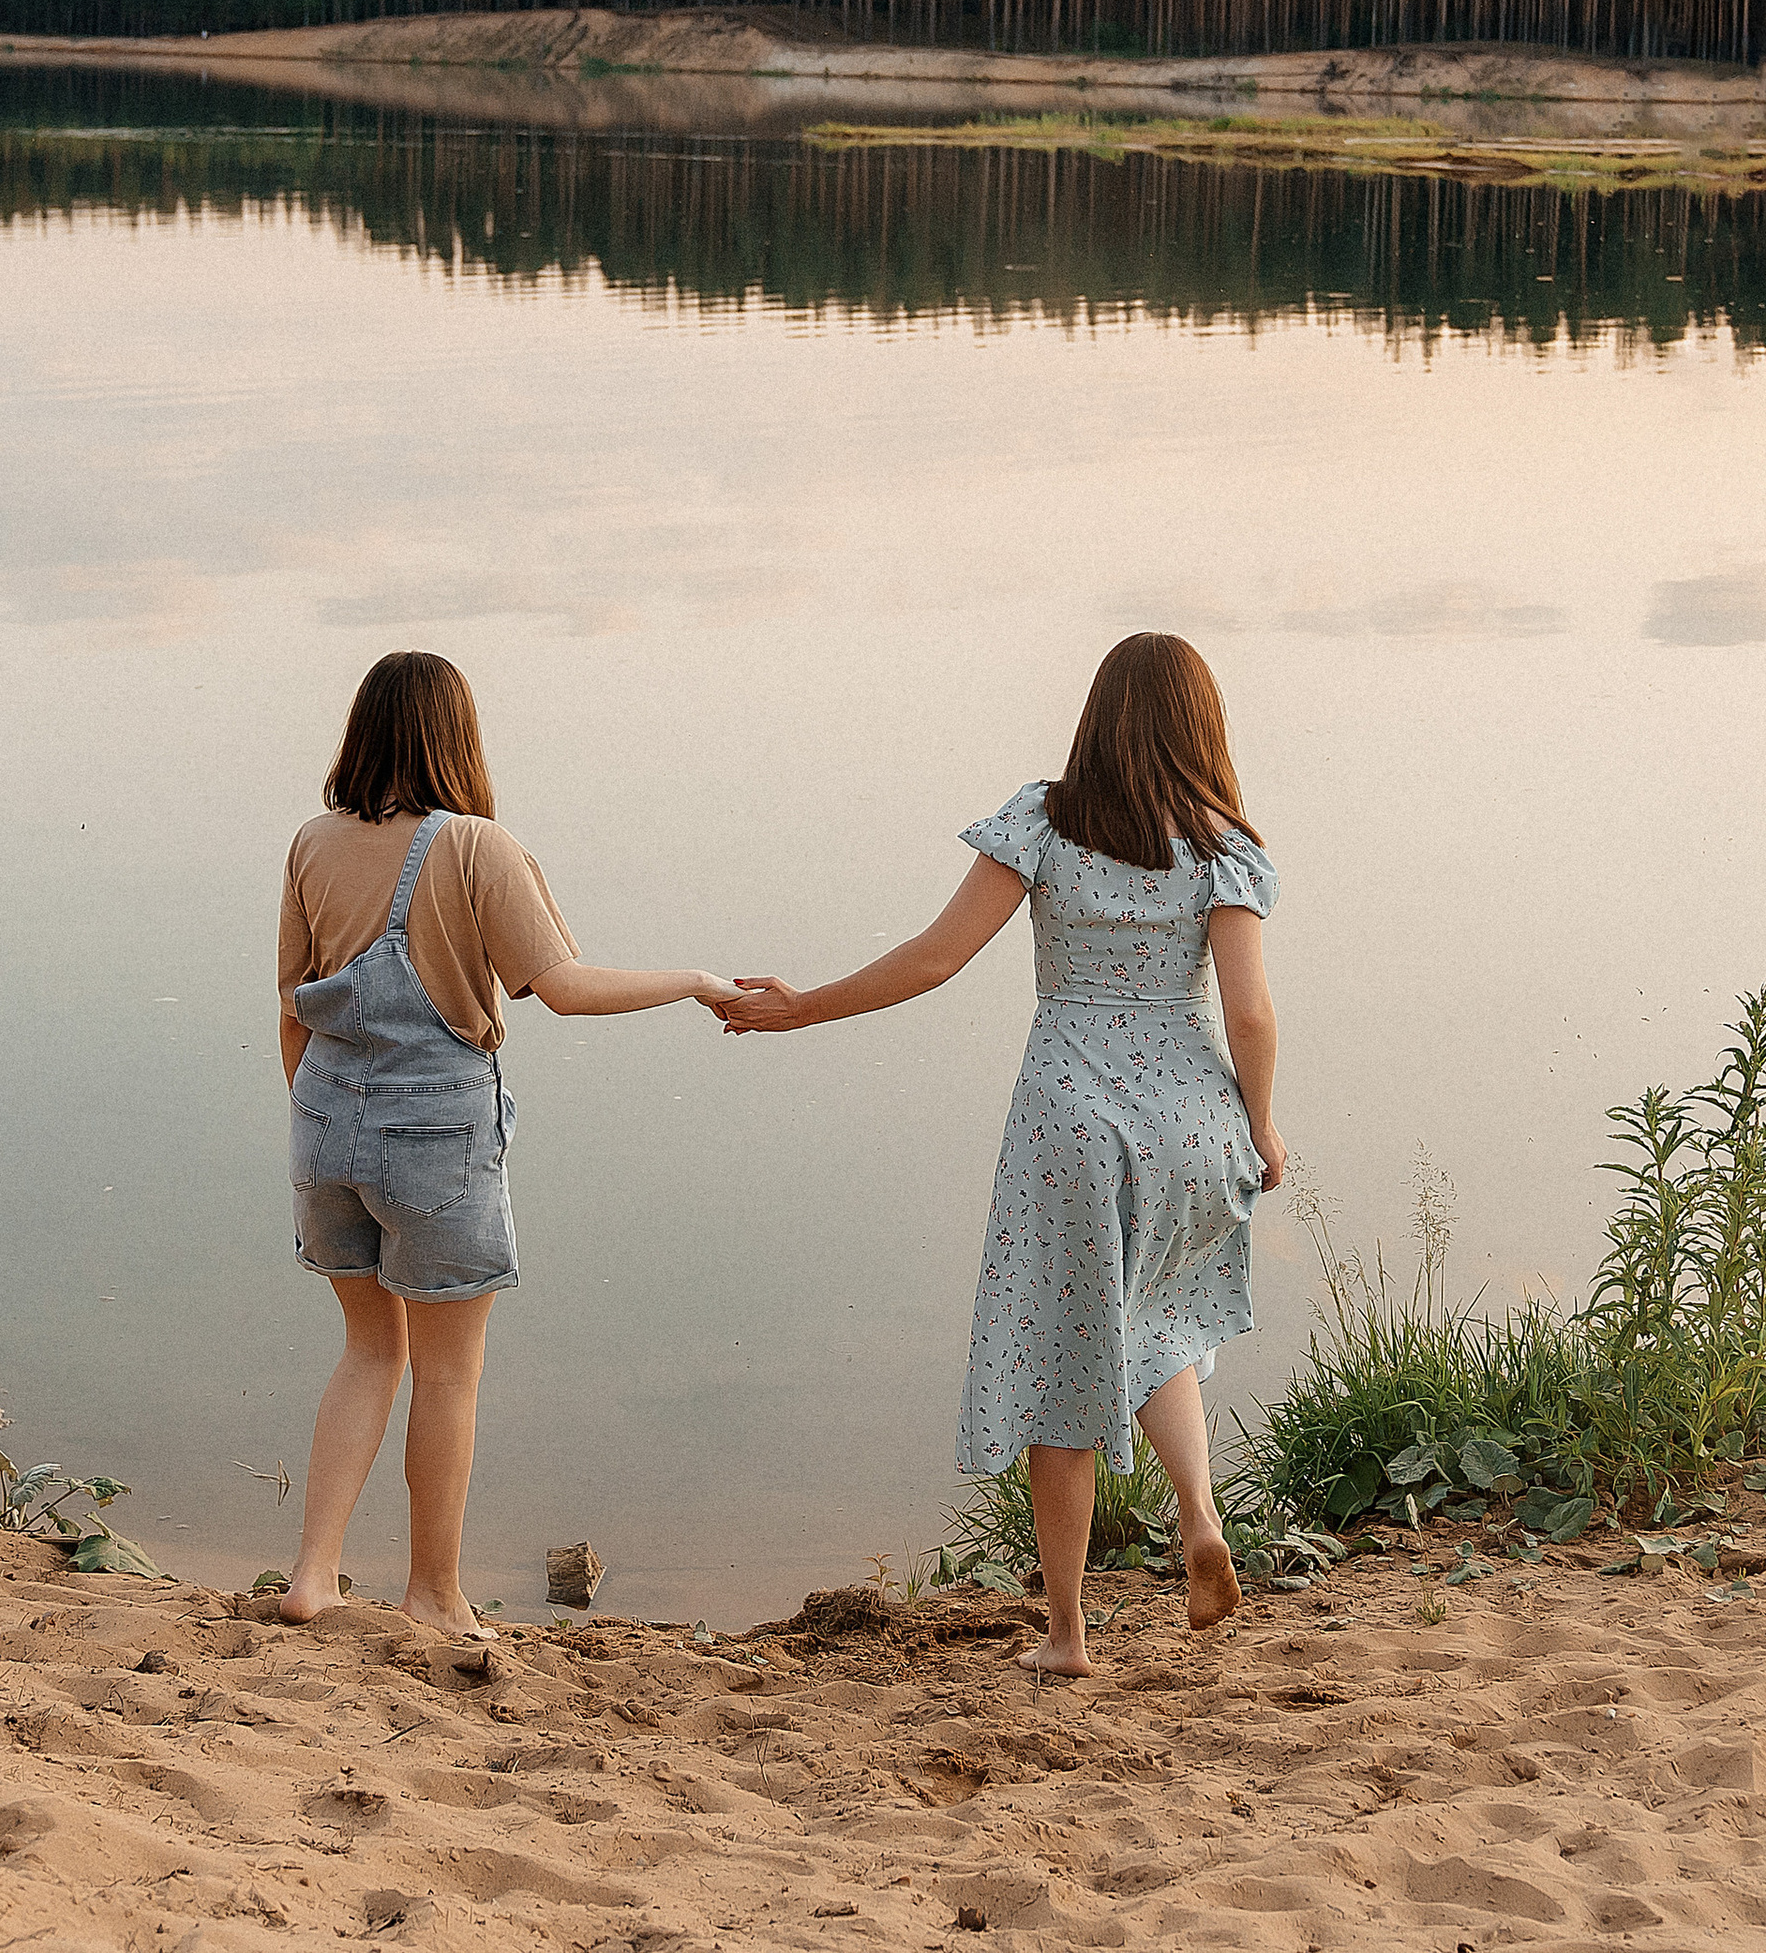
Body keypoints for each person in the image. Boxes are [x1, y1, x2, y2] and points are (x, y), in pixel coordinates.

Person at [721, 633, 1283, 1669]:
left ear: (1096, 717)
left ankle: (1068, 1633)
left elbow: (934, 958)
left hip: (1070, 1116)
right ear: (1202, 726)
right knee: (1153, 1318)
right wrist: (1259, 1123)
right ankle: (1198, 1515)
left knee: (1058, 1361)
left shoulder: (1041, 821)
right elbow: (1249, 1013)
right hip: (1190, 1117)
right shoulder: (1222, 846)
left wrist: (806, 1009)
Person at [265, 650, 735, 1641]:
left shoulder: (311, 842)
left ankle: (312, 1572)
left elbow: (291, 1010)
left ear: (361, 731)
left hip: (322, 1122)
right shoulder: (477, 846)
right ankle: (432, 1590)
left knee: (364, 1350)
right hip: (432, 1133)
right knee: (445, 1372)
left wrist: (322, 1126)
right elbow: (562, 985)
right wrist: (693, 978)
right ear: (458, 737)